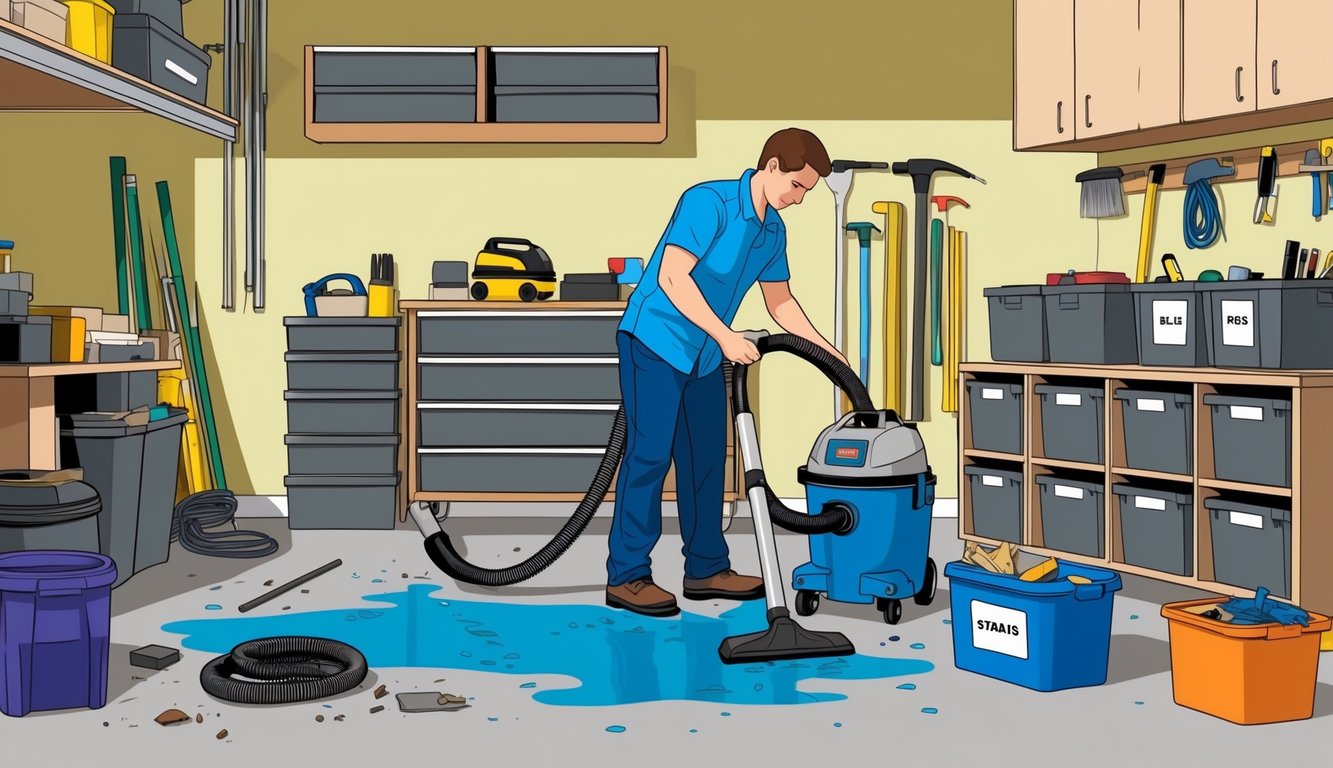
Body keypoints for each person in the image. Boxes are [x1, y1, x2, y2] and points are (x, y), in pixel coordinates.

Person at [607, 127, 849, 617]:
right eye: (798, 187)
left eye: (807, 191)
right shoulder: (708, 202)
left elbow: (780, 302)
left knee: (706, 462)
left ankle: (706, 568)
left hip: (703, 356)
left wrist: (828, 352)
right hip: (654, 342)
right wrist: (725, 336)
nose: (799, 199)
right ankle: (627, 576)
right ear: (773, 166)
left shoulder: (773, 231)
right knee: (650, 458)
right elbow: (672, 277)